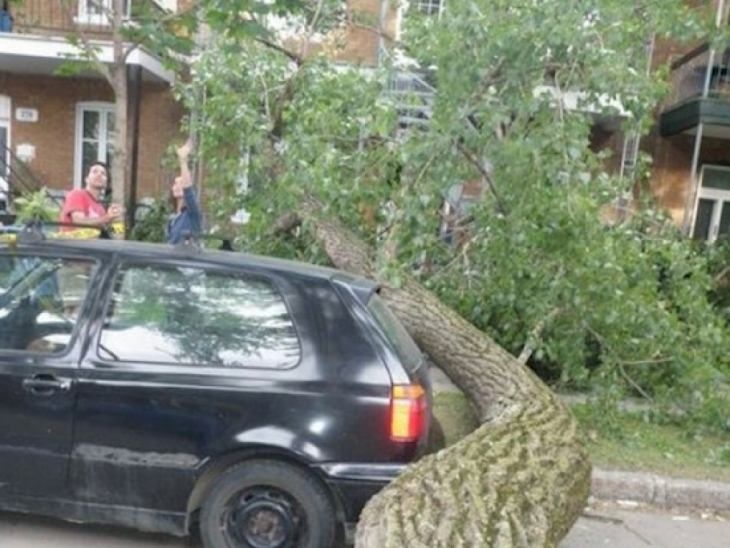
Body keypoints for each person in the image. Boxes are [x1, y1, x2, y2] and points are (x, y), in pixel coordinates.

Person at [60, 162, 123, 229]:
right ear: (86, 179)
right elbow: (79, 222)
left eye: (103, 173)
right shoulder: (77, 194)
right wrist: (107, 217)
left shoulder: (101, 209)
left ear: (106, 183)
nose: (99, 175)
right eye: (94, 171)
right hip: (72, 239)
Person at [167, 139, 202, 244]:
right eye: (175, 183)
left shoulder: (192, 214)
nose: (177, 186)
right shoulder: (173, 219)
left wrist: (183, 161)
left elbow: (188, 188)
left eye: (180, 183)